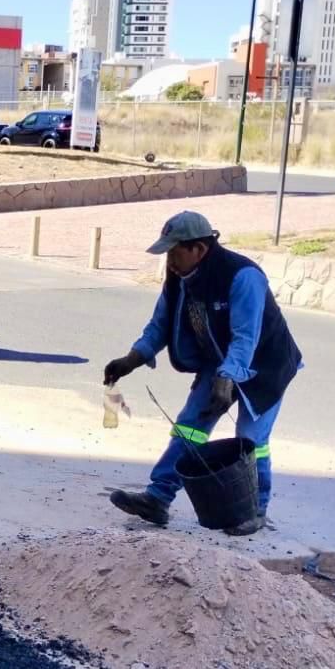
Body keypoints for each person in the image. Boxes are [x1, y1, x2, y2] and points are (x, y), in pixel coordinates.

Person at [103, 211, 302, 536]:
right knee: (190, 428)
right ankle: (158, 498)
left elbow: (245, 337)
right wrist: (132, 359)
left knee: (252, 441)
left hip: (265, 365)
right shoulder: (180, 279)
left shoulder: (242, 276)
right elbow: (159, 325)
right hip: (220, 361)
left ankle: (256, 510)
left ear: (198, 248)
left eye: (174, 251)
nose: (169, 261)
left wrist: (227, 379)